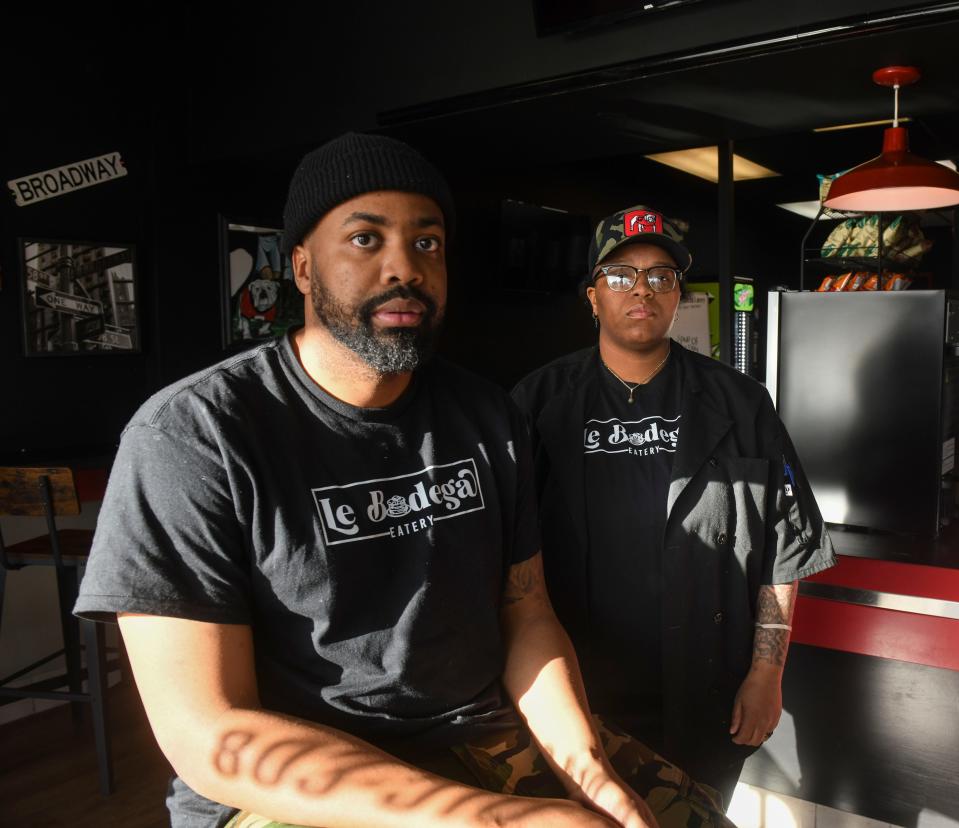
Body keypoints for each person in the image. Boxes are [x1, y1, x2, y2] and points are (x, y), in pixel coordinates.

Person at [74, 137, 730, 828]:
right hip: (297, 780)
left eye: (428, 244)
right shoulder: (193, 436)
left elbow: (526, 611)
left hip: (480, 733)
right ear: (301, 265)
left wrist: (587, 771)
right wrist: (494, 820)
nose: (405, 269)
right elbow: (209, 734)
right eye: (365, 238)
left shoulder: (487, 415)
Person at [510, 206, 836, 804]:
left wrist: (767, 674)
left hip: (706, 694)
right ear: (592, 297)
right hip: (581, 692)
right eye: (620, 275)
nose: (642, 289)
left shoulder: (740, 403)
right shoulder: (539, 404)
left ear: (678, 295)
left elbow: (783, 548)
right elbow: (508, 561)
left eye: (661, 276)